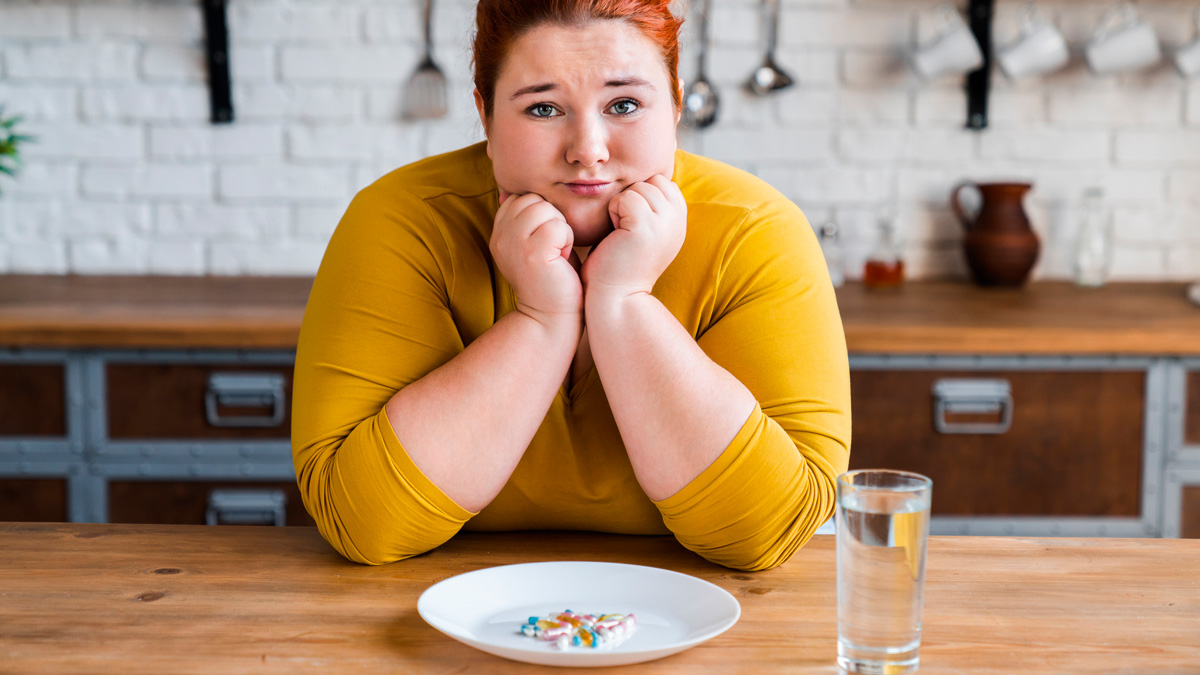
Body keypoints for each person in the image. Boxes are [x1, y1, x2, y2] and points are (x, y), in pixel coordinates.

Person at [291, 0, 850, 571]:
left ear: (676, 103)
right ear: (485, 116)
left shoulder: (755, 231)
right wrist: (542, 318)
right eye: (543, 108)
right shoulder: (400, 222)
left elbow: (769, 531)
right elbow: (363, 524)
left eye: (625, 104)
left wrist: (623, 301)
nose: (588, 149)